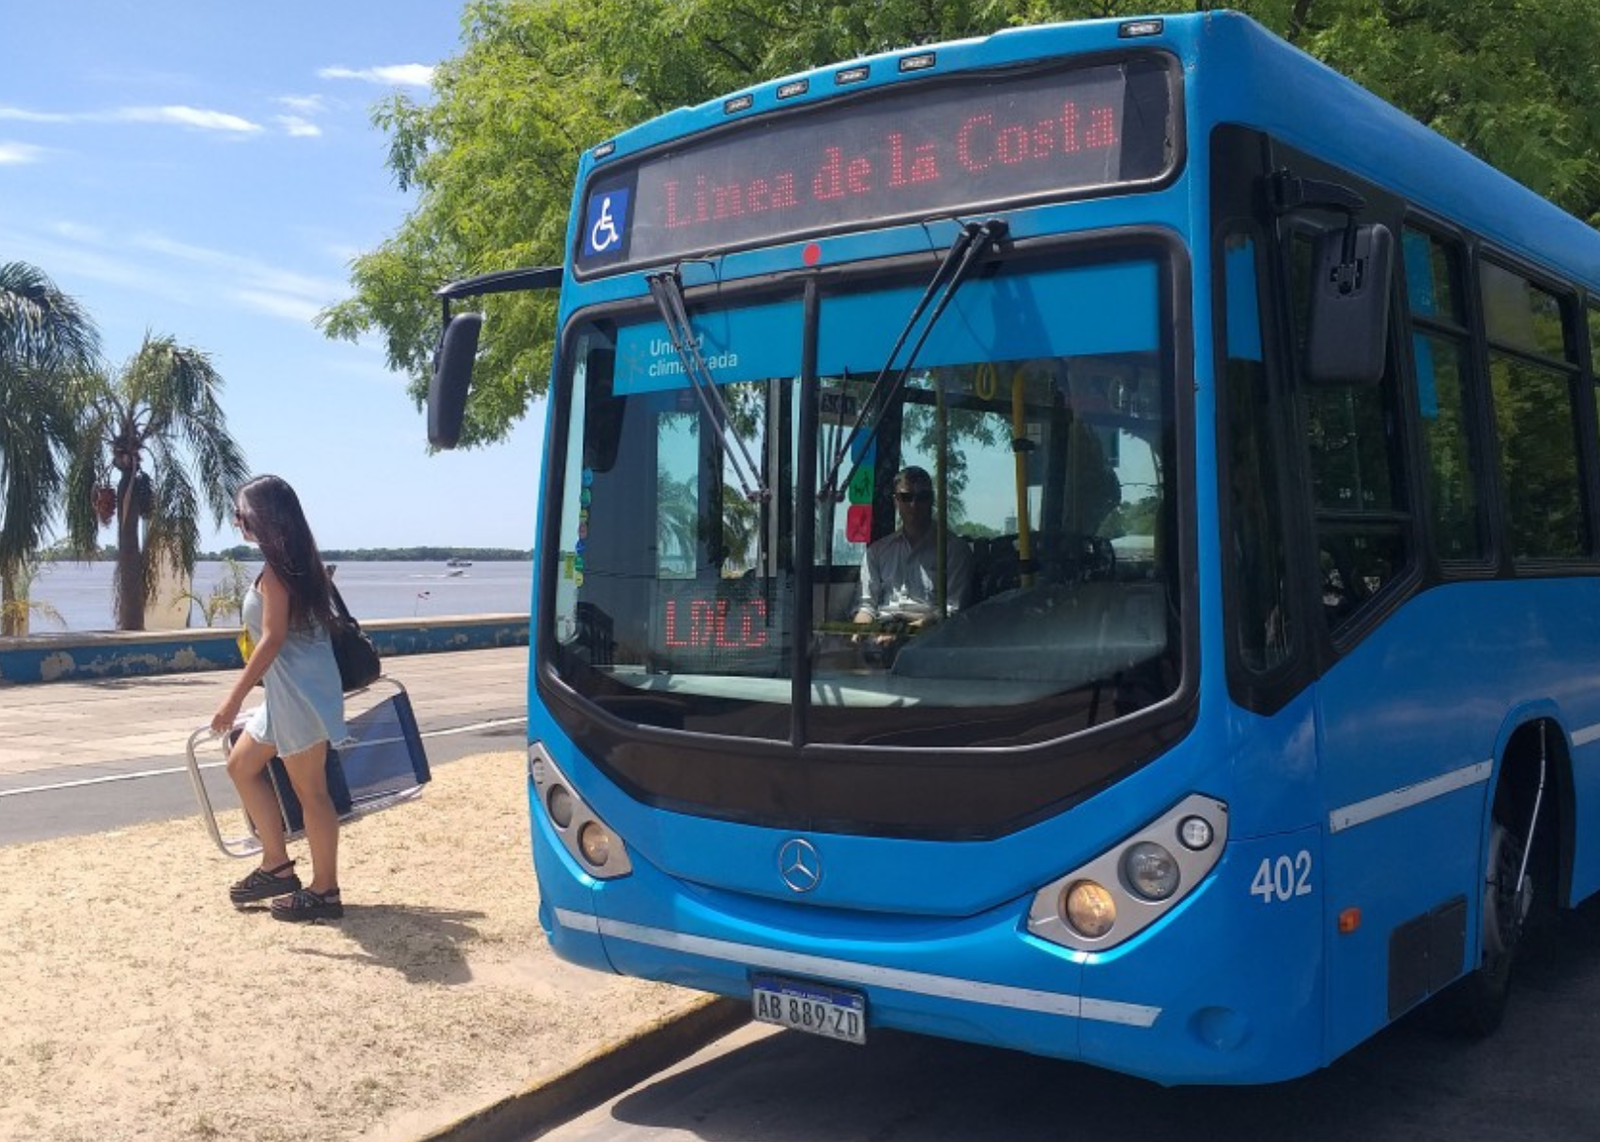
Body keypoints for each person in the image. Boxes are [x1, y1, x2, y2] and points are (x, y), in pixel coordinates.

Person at [211, 475, 348, 922]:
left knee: (312, 794)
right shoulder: (291, 562)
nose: (236, 522)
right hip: (288, 695)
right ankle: (277, 865)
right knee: (241, 765)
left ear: (263, 518)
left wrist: (231, 702)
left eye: (241, 515)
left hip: (299, 697)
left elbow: (271, 640)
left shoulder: (279, 571)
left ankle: (325, 891)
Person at [853, 466, 974, 644]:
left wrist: (907, 632)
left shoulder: (954, 549)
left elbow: (953, 609)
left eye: (922, 497)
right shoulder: (876, 552)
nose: (913, 505)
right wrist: (860, 631)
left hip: (931, 640)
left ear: (932, 500)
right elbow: (867, 606)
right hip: (881, 634)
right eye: (906, 497)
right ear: (896, 501)